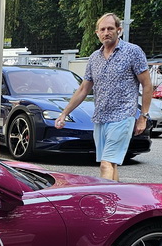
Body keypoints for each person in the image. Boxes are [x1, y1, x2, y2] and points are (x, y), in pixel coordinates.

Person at [54, 13, 153, 181]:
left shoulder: (132, 52)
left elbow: (147, 85)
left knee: (106, 164)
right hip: (100, 117)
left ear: (119, 30)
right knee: (111, 164)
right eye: (102, 29)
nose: (106, 32)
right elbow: (83, 89)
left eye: (110, 28)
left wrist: (143, 116)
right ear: (97, 33)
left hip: (122, 116)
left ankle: (105, 197)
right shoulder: (94, 58)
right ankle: (117, 195)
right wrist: (64, 113)